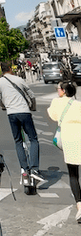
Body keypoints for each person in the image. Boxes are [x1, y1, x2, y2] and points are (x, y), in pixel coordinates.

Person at [0, 61, 45, 184]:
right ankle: (34, 168)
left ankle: (24, 168)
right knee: (33, 139)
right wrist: (33, 106)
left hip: (11, 114)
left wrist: (4, 106)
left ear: (2, 70)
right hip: (24, 112)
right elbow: (31, 94)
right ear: (10, 69)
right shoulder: (19, 79)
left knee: (18, 141)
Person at [48, 81, 81, 222]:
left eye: (58, 89)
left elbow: (52, 115)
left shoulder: (57, 102)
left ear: (63, 91)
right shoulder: (79, 104)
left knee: (73, 174)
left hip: (68, 139)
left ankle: (80, 206)